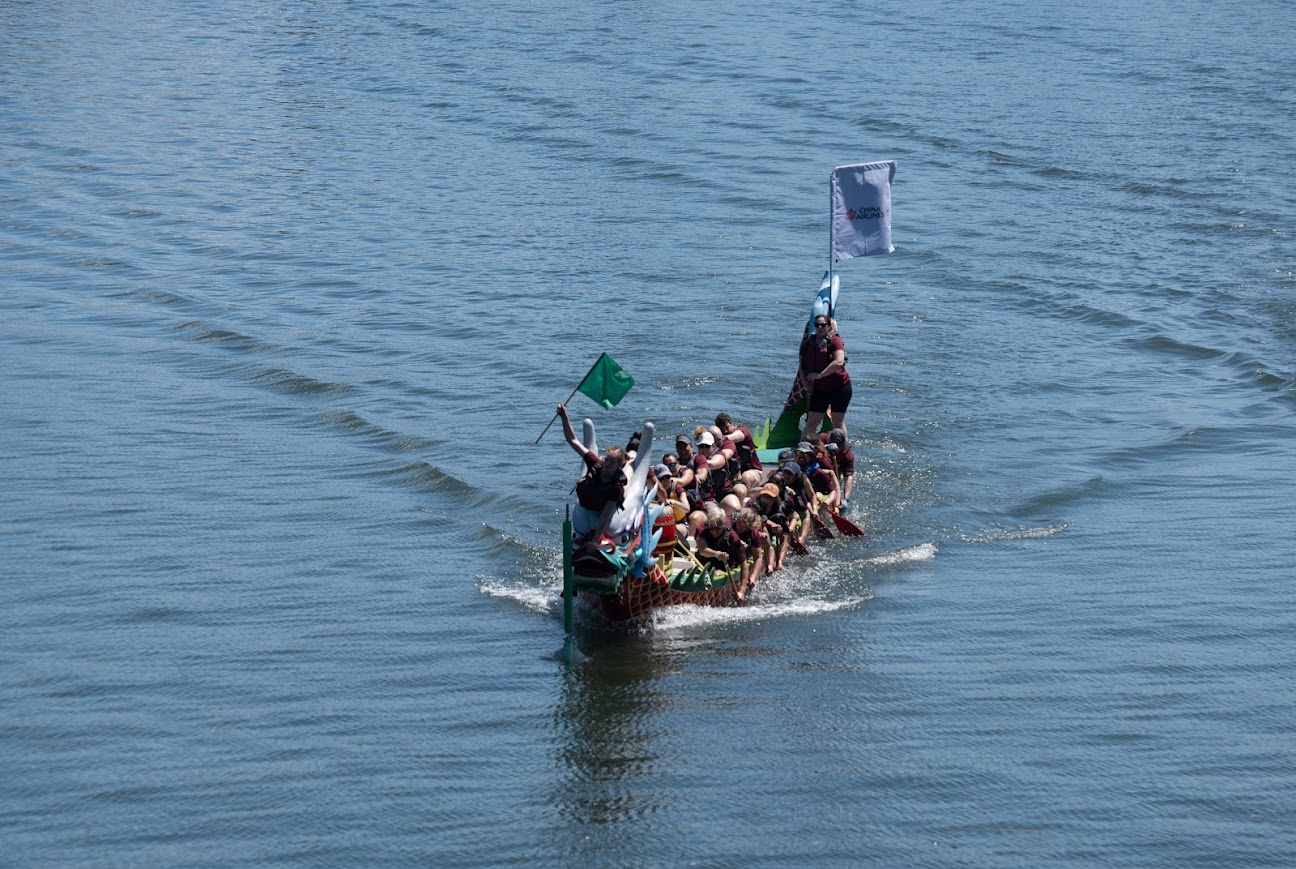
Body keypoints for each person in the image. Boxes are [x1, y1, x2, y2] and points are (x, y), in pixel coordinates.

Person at [556, 403, 627, 519]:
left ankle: (631, 461)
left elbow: (604, 517)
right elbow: (572, 440)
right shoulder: (596, 463)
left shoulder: (616, 486)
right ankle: (593, 447)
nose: (607, 464)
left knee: (628, 472)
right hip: (588, 500)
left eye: (612, 462)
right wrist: (564, 417)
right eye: (607, 460)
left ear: (618, 466)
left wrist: (596, 537)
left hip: (602, 506)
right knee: (589, 466)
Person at [798, 314, 852, 441]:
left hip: (840, 388)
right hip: (820, 390)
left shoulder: (835, 341)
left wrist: (820, 375)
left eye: (823, 325)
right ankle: (803, 450)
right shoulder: (808, 343)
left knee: (837, 423)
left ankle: (843, 451)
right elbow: (802, 365)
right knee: (811, 422)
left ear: (829, 326)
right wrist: (805, 383)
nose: (820, 327)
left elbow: (839, 362)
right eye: (817, 325)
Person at [715, 412, 763, 491]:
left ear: (732, 423)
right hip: (735, 473)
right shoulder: (720, 442)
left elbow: (736, 436)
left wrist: (718, 438)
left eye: (727, 427)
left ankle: (747, 500)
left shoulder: (742, 430)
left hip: (753, 471)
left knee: (745, 477)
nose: (725, 431)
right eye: (722, 430)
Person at [819, 428, 855, 508]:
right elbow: (810, 447)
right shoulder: (822, 438)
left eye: (839, 445)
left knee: (834, 487)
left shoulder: (848, 455)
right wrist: (824, 448)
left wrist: (846, 498)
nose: (837, 448)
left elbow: (848, 477)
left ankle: (837, 504)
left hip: (836, 472)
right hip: (820, 468)